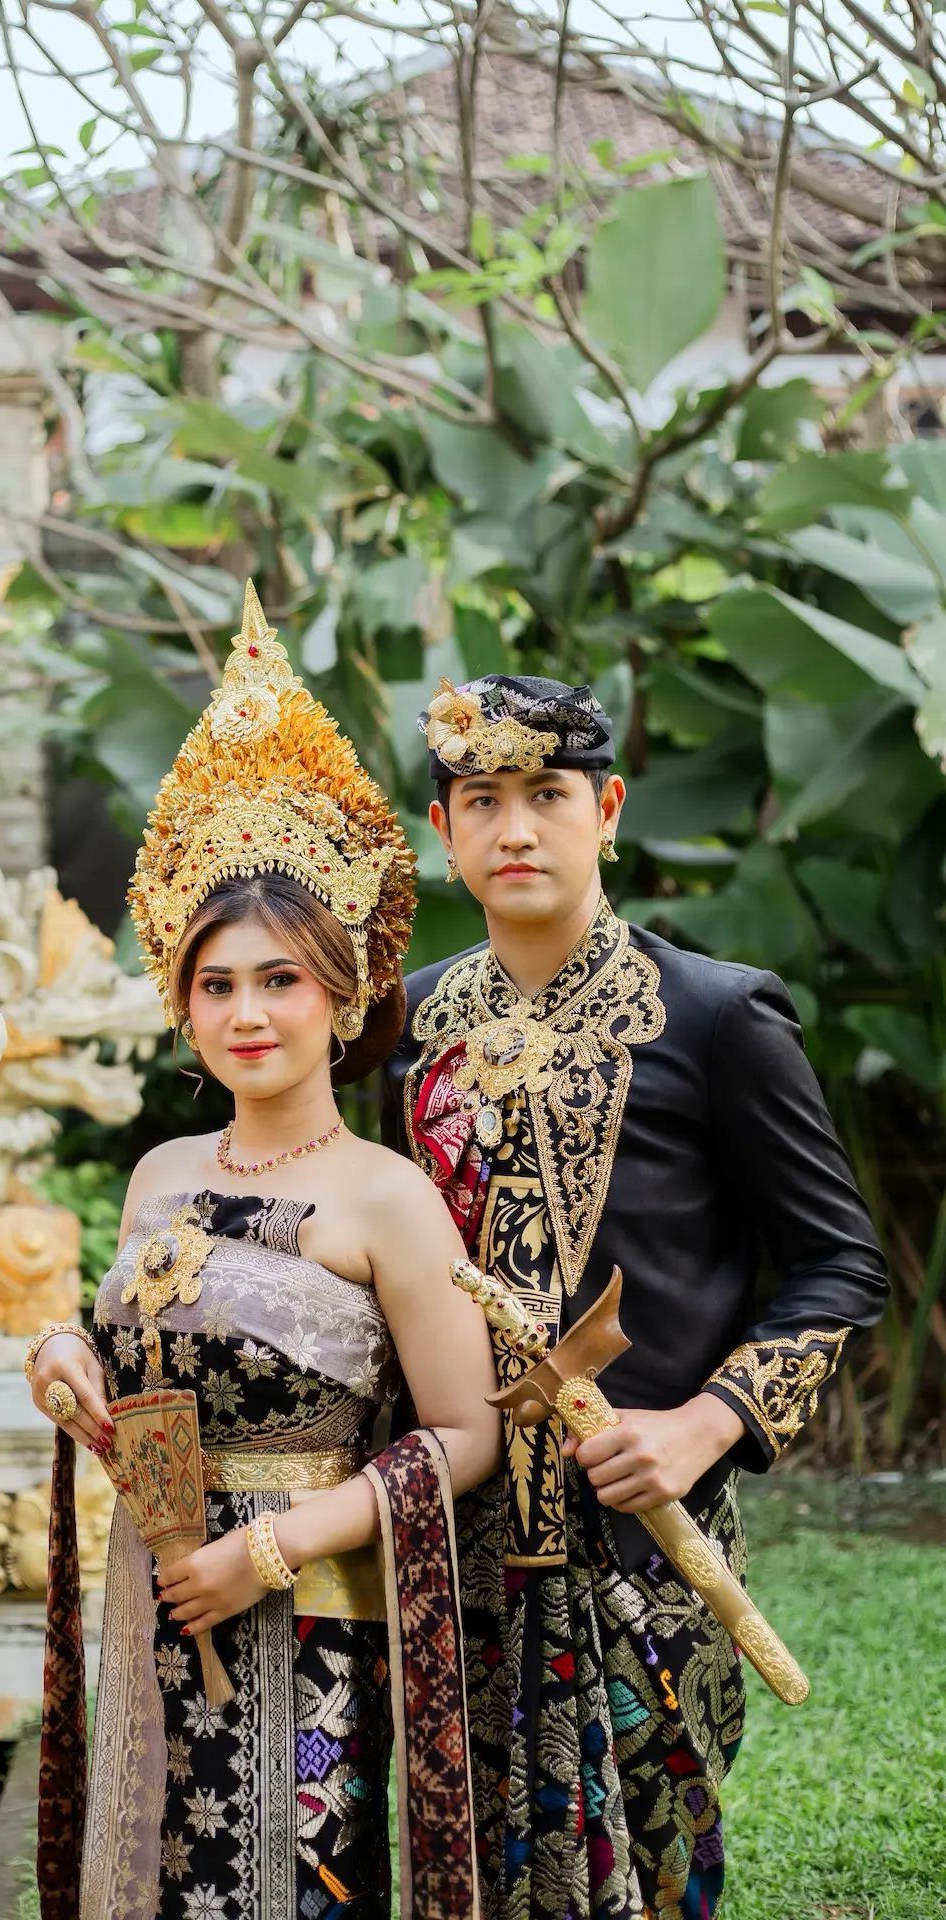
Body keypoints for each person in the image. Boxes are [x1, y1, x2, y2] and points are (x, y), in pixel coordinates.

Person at [380, 673, 889, 1920]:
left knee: (654, 1874)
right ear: (442, 831)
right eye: (480, 801)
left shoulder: (715, 1015)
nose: (513, 830)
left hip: (645, 1539)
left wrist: (704, 1425)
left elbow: (837, 1264)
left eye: (546, 796)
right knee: (466, 1870)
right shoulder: (405, 1027)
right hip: (454, 1534)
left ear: (605, 812)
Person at [28, 586, 501, 1920]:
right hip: (158, 1588)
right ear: (183, 1006)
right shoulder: (161, 1175)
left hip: (314, 1613)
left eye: (280, 980)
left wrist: (273, 1551)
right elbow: (130, 1364)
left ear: (342, 996)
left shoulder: (387, 1196)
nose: (248, 1013)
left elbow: (462, 1436)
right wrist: (64, 1353)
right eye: (217, 983)